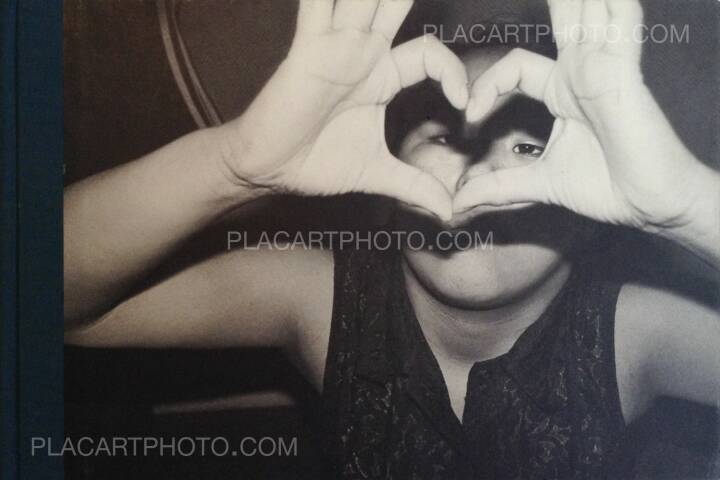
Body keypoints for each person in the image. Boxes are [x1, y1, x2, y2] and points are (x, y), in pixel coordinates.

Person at [64, 0, 719, 478]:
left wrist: (687, 205)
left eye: (529, 147)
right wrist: (233, 165)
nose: (481, 170)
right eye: (447, 134)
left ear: (592, 212)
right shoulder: (318, 299)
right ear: (386, 169)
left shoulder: (635, 330)